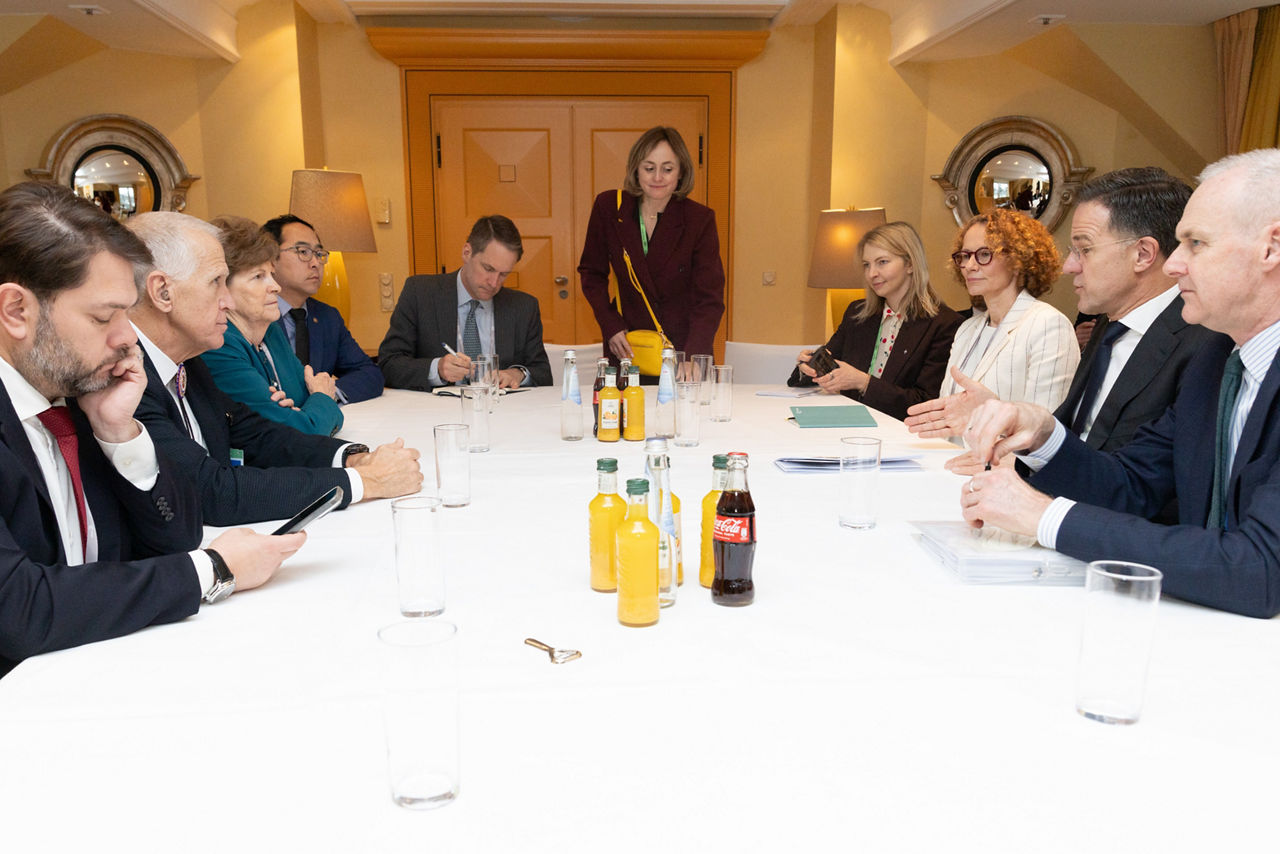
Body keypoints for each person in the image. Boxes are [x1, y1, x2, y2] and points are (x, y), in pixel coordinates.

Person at [961, 148, 1280, 619]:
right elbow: (1131, 484)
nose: (1174, 266)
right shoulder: (1216, 360)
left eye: (1196, 244)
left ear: (1271, 249)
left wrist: (1042, 516)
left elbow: (1257, 570)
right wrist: (1043, 434)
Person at [0, 181, 303, 676]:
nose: (126, 339)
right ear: (17, 311)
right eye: (104, 317)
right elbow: (20, 610)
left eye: (126, 311)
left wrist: (119, 435)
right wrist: (213, 569)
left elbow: (176, 535)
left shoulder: (82, 395)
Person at [127, 211, 423, 527]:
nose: (227, 301)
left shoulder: (189, 361)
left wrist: (354, 458)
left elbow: (257, 436)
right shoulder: (128, 379)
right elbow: (213, 492)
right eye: (216, 282)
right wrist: (365, 481)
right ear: (162, 292)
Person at [903, 207, 1079, 438]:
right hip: (952, 459)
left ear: (1018, 259)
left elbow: (1044, 431)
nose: (969, 266)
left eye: (984, 254)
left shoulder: (1048, 325)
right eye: (964, 256)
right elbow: (949, 414)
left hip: (1008, 468)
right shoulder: (967, 328)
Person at [578, 126, 725, 371]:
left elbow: (709, 299)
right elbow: (591, 272)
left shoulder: (699, 219)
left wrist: (693, 356)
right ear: (636, 169)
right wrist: (610, 324)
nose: (658, 177)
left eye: (668, 169)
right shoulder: (609, 208)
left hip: (683, 349)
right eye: (649, 168)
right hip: (628, 346)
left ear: (681, 173)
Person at [786, 221, 962, 420]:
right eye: (866, 265)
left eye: (882, 262)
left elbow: (925, 403)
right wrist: (807, 368)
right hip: (845, 422)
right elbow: (814, 374)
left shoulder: (944, 324)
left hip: (899, 434)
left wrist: (863, 382)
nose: (872, 274)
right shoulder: (857, 314)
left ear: (911, 264)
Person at [201, 216, 343, 437]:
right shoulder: (219, 345)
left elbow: (304, 417)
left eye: (272, 275)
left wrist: (305, 411)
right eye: (259, 277)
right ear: (221, 288)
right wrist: (323, 398)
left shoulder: (271, 331)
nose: (275, 287)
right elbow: (301, 431)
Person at [379, 214, 552, 389]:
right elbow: (389, 364)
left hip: (502, 411)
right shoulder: (420, 293)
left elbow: (543, 373)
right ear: (467, 252)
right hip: (437, 412)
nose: (494, 283)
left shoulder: (523, 307)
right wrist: (436, 369)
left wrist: (518, 374)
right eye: (488, 269)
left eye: (504, 274)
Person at [264, 214, 383, 404]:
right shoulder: (254, 315)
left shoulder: (327, 317)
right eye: (303, 252)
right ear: (271, 258)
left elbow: (369, 373)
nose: (315, 263)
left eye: (319, 254)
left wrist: (328, 393)